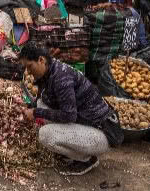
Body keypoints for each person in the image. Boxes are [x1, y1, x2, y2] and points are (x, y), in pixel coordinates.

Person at [18, 44, 122, 176]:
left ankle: (87, 159)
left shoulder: (61, 78)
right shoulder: (49, 71)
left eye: (29, 66)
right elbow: (42, 98)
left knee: (45, 135)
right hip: (84, 123)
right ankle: (72, 151)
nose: (28, 71)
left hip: (101, 133)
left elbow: (69, 116)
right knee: (40, 103)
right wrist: (31, 108)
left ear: (41, 60)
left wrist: (35, 112)